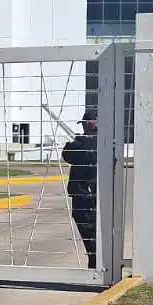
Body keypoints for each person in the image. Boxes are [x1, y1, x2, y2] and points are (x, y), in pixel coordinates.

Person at [60, 108, 98, 270]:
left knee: (89, 232)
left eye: (84, 124)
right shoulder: (109, 140)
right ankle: (99, 263)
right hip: (100, 193)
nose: (82, 127)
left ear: (91, 123)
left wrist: (77, 141)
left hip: (85, 194)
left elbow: (68, 154)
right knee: (98, 231)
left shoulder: (84, 143)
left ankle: (96, 264)